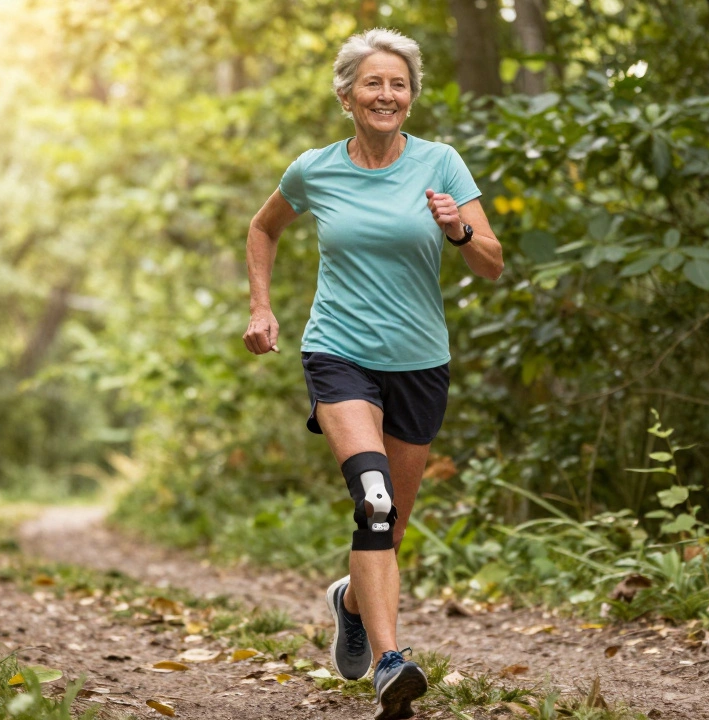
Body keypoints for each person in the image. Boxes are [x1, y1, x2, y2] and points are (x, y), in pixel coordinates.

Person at [241, 27, 503, 720]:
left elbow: (493, 263)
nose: (387, 94)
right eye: (373, 84)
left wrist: (460, 232)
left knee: (389, 528)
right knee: (375, 501)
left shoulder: (442, 164)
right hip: (339, 354)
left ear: (411, 99)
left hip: (420, 364)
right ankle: (392, 663)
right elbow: (263, 227)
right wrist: (262, 307)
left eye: (399, 85)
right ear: (347, 95)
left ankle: (351, 602)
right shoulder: (315, 169)